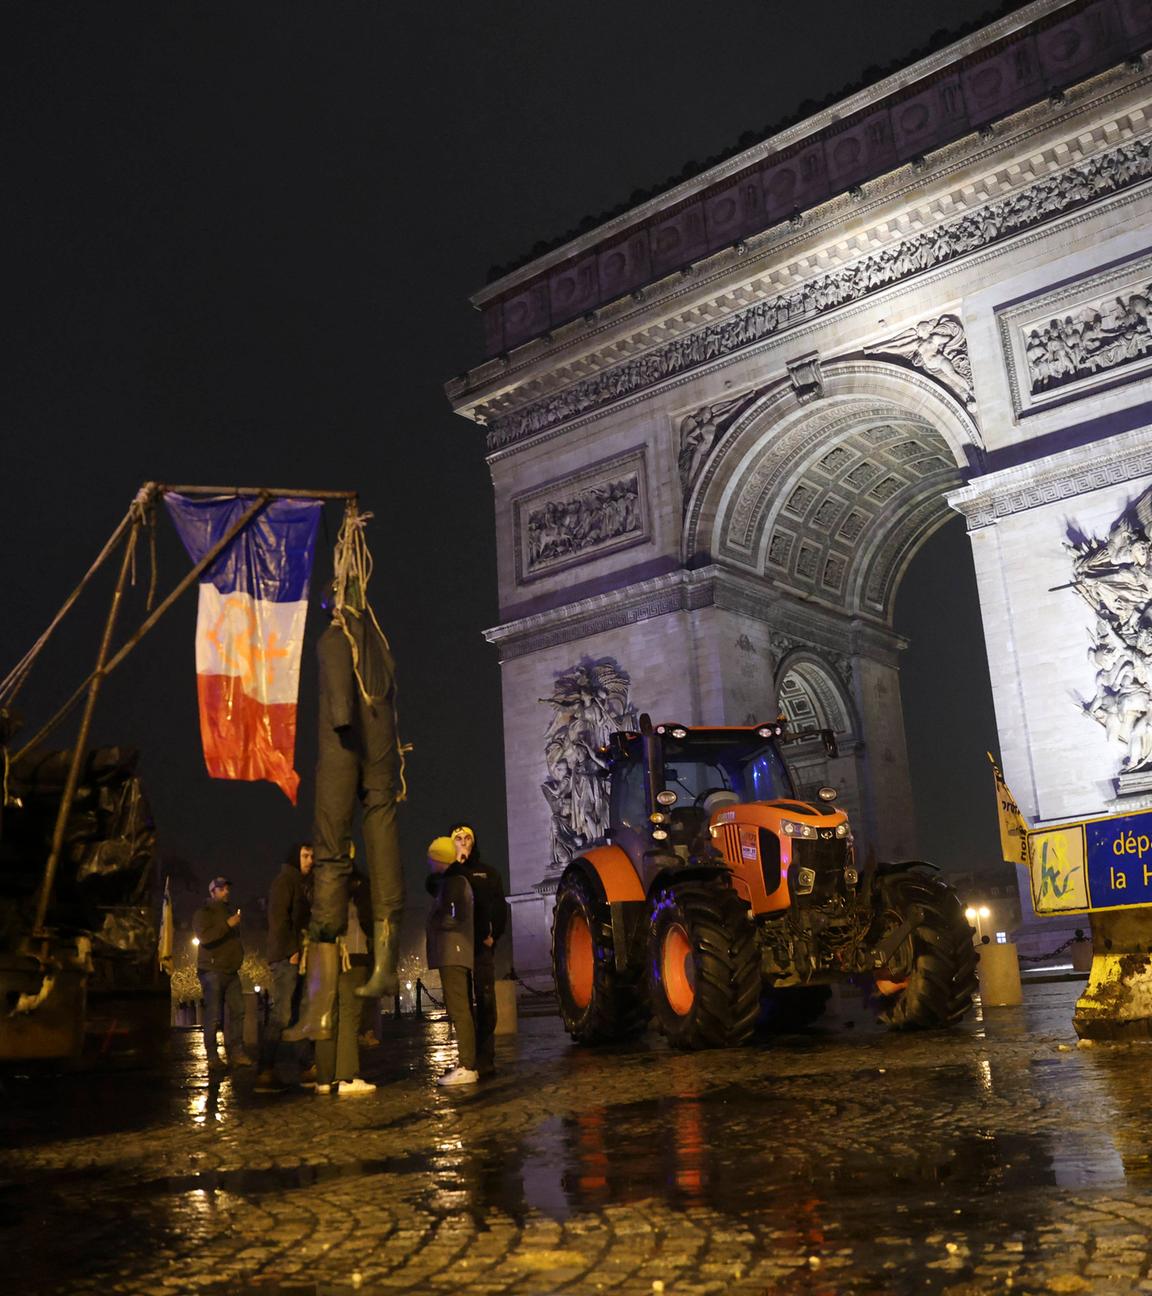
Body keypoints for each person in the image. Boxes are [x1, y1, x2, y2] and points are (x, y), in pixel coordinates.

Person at [425, 823, 508, 1086]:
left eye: (467, 838)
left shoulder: (487, 873)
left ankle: (483, 1059)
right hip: (462, 945)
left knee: (484, 1003)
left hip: (478, 945)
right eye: (457, 838)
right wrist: (454, 864)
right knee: (463, 1006)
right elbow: (432, 884)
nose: (463, 842)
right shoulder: (449, 876)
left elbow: (495, 907)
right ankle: (469, 1057)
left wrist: (493, 936)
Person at [312, 872, 376, 1096]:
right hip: (353, 954)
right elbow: (368, 920)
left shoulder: (320, 881)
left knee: (329, 1016)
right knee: (350, 1015)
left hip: (325, 956)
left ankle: (324, 1079)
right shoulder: (357, 884)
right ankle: (347, 1076)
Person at [256, 843, 313, 1091]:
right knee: (282, 1014)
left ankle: (307, 1065)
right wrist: (291, 950)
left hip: (295, 956)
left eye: (311, 856)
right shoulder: (285, 882)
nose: (310, 860)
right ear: (294, 858)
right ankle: (265, 1070)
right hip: (286, 956)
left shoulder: (298, 883)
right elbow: (280, 920)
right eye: (305, 856)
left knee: (296, 1013)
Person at [193, 877, 252, 1074]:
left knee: (239, 1011)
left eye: (227, 888)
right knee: (213, 1015)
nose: (226, 891)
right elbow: (205, 937)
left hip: (230, 970)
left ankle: (236, 1052)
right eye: (221, 889)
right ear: (212, 892)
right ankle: (212, 1057)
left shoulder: (229, 912)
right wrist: (228, 924)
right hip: (212, 970)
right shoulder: (204, 913)